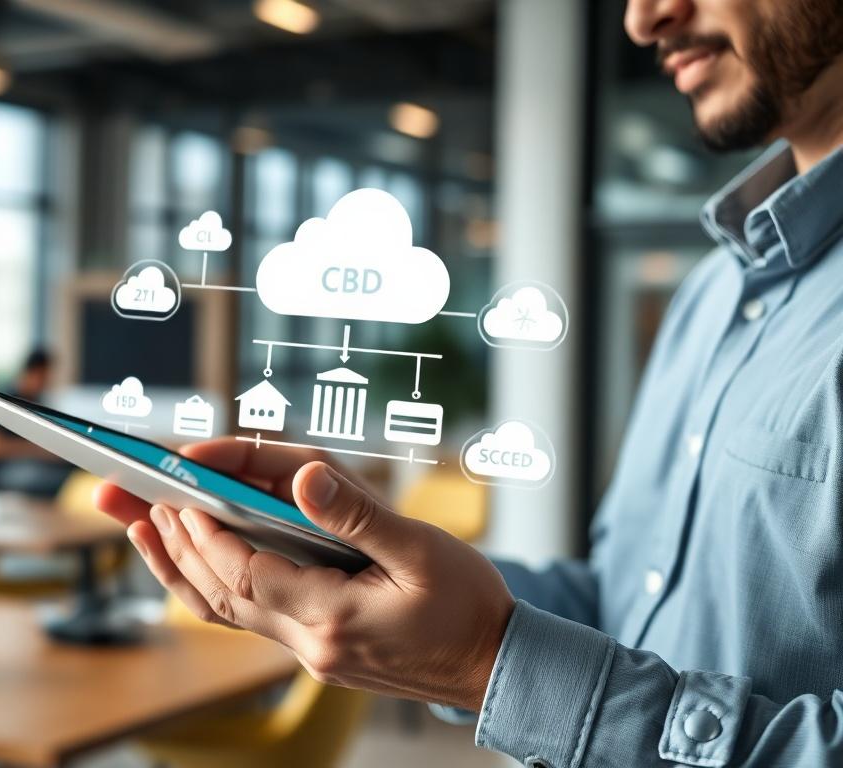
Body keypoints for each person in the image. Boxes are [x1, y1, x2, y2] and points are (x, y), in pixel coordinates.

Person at [97, 0, 843, 764]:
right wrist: (385, 565)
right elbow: (624, 605)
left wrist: (486, 664)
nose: (643, 19)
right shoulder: (712, 293)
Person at [0, 347, 70, 497]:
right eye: (44, 376)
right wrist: (37, 450)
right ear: (33, 372)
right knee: (55, 481)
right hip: (1, 470)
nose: (47, 382)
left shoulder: (38, 402)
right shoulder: (4, 400)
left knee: (70, 472)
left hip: (32, 463)